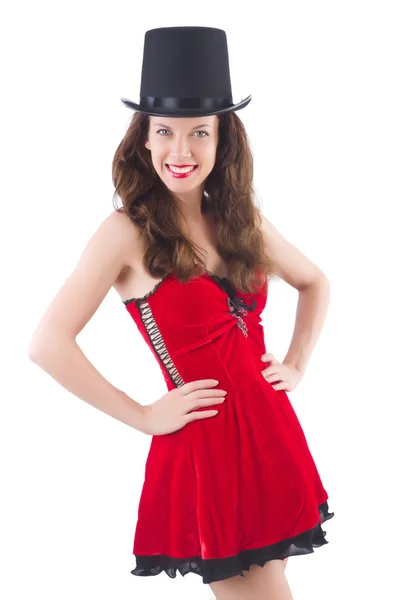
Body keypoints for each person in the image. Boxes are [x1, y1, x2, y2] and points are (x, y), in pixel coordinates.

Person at [28, 26, 334, 600]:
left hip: (273, 438)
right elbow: (47, 343)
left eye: (199, 133)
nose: (181, 151)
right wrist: (144, 414)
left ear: (223, 140)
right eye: (164, 132)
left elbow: (315, 282)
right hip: (209, 451)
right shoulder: (125, 233)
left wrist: (295, 363)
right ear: (143, 139)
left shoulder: (239, 220)